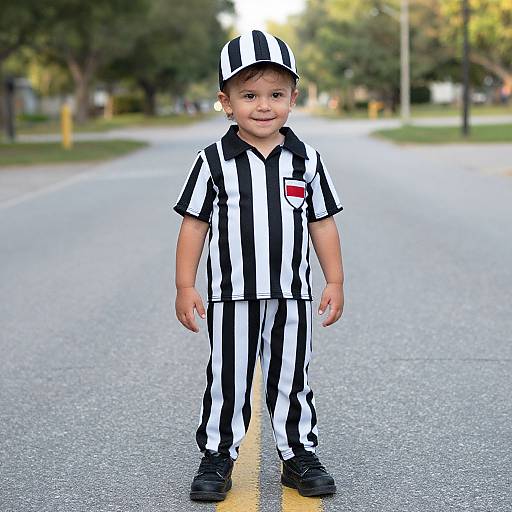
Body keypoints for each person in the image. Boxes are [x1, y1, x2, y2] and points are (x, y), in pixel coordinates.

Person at [173, 30, 345, 502]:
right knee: (227, 379)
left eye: (276, 94)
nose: (263, 105)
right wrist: (185, 285)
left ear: (293, 97)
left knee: (292, 378)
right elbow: (194, 226)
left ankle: (297, 455)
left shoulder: (306, 159)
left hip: (292, 294)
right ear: (226, 102)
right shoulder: (212, 162)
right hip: (231, 296)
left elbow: (323, 224)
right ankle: (217, 454)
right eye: (249, 95)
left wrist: (334, 279)